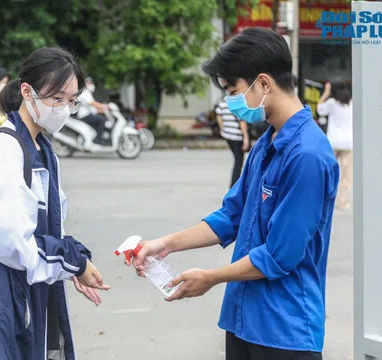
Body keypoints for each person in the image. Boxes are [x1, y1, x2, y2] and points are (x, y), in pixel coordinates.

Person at [124, 28, 339, 360]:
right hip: (242, 320)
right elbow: (230, 217)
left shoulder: (307, 155)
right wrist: (164, 245)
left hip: (285, 330)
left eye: (233, 90)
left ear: (264, 83)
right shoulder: (266, 144)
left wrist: (210, 277)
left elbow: (281, 255)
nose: (230, 102)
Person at [0, 47, 110, 360]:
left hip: (30, 295)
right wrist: (71, 263)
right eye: (56, 99)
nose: (64, 109)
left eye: (72, 100)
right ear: (27, 91)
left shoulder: (42, 149)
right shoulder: (6, 149)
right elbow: (10, 242)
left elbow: (51, 227)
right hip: (2, 303)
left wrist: (70, 264)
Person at [317, 78, 353, 210]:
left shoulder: (331, 103)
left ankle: (326, 199)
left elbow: (319, 109)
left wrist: (325, 93)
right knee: (346, 174)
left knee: (330, 171)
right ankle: (343, 202)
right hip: (348, 143)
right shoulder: (351, 103)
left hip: (333, 142)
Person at [215, 98, 250, 187]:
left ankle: (235, 185)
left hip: (228, 135)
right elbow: (242, 121)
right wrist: (246, 137)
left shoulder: (223, 101)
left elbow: (218, 114)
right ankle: (234, 186)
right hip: (237, 136)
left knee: (236, 159)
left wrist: (222, 128)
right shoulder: (237, 103)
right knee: (238, 162)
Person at [77, 76, 109, 144]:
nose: (91, 84)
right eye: (89, 82)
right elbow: (92, 103)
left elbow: (92, 107)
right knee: (102, 120)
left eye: (91, 82)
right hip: (84, 115)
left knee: (102, 118)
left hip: (88, 114)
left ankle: (100, 137)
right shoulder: (84, 92)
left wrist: (102, 109)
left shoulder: (88, 92)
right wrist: (105, 106)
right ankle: (98, 140)